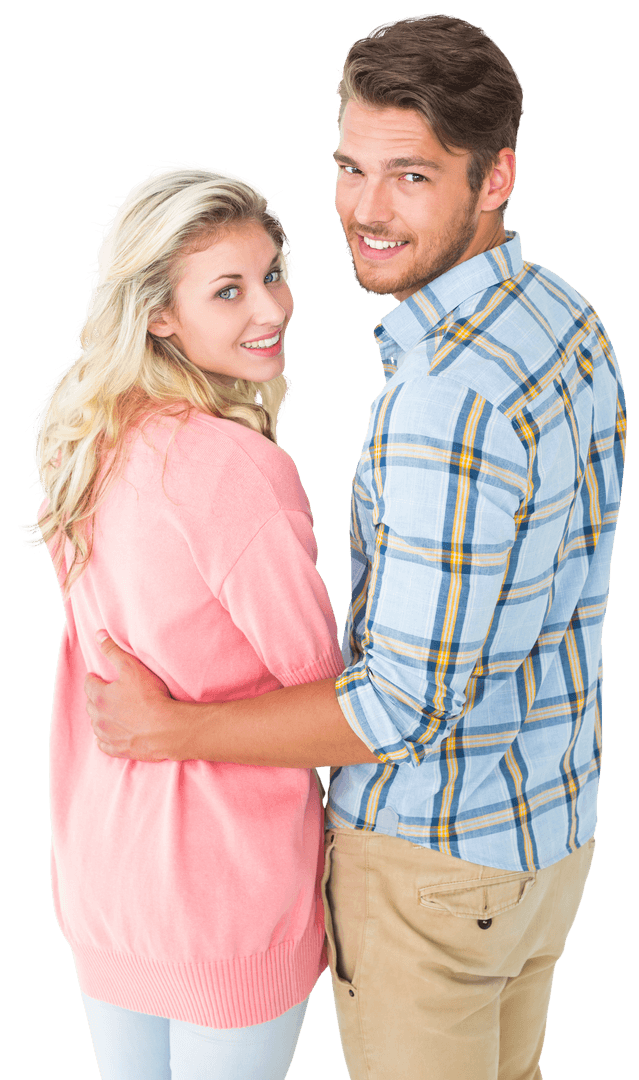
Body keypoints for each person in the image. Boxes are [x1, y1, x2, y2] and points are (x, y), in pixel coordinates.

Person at [84, 13, 626, 1080]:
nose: (366, 211)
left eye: (412, 176)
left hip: (431, 867)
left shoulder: (443, 403)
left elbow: (396, 709)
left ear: (496, 174)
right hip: (552, 838)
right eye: (350, 167)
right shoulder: (567, 316)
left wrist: (172, 728)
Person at [23, 164, 354, 1080]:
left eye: (274, 272)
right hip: (226, 893)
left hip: (106, 874)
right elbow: (327, 690)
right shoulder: (234, 469)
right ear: (159, 314)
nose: (271, 308)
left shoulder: (90, 439)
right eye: (228, 290)